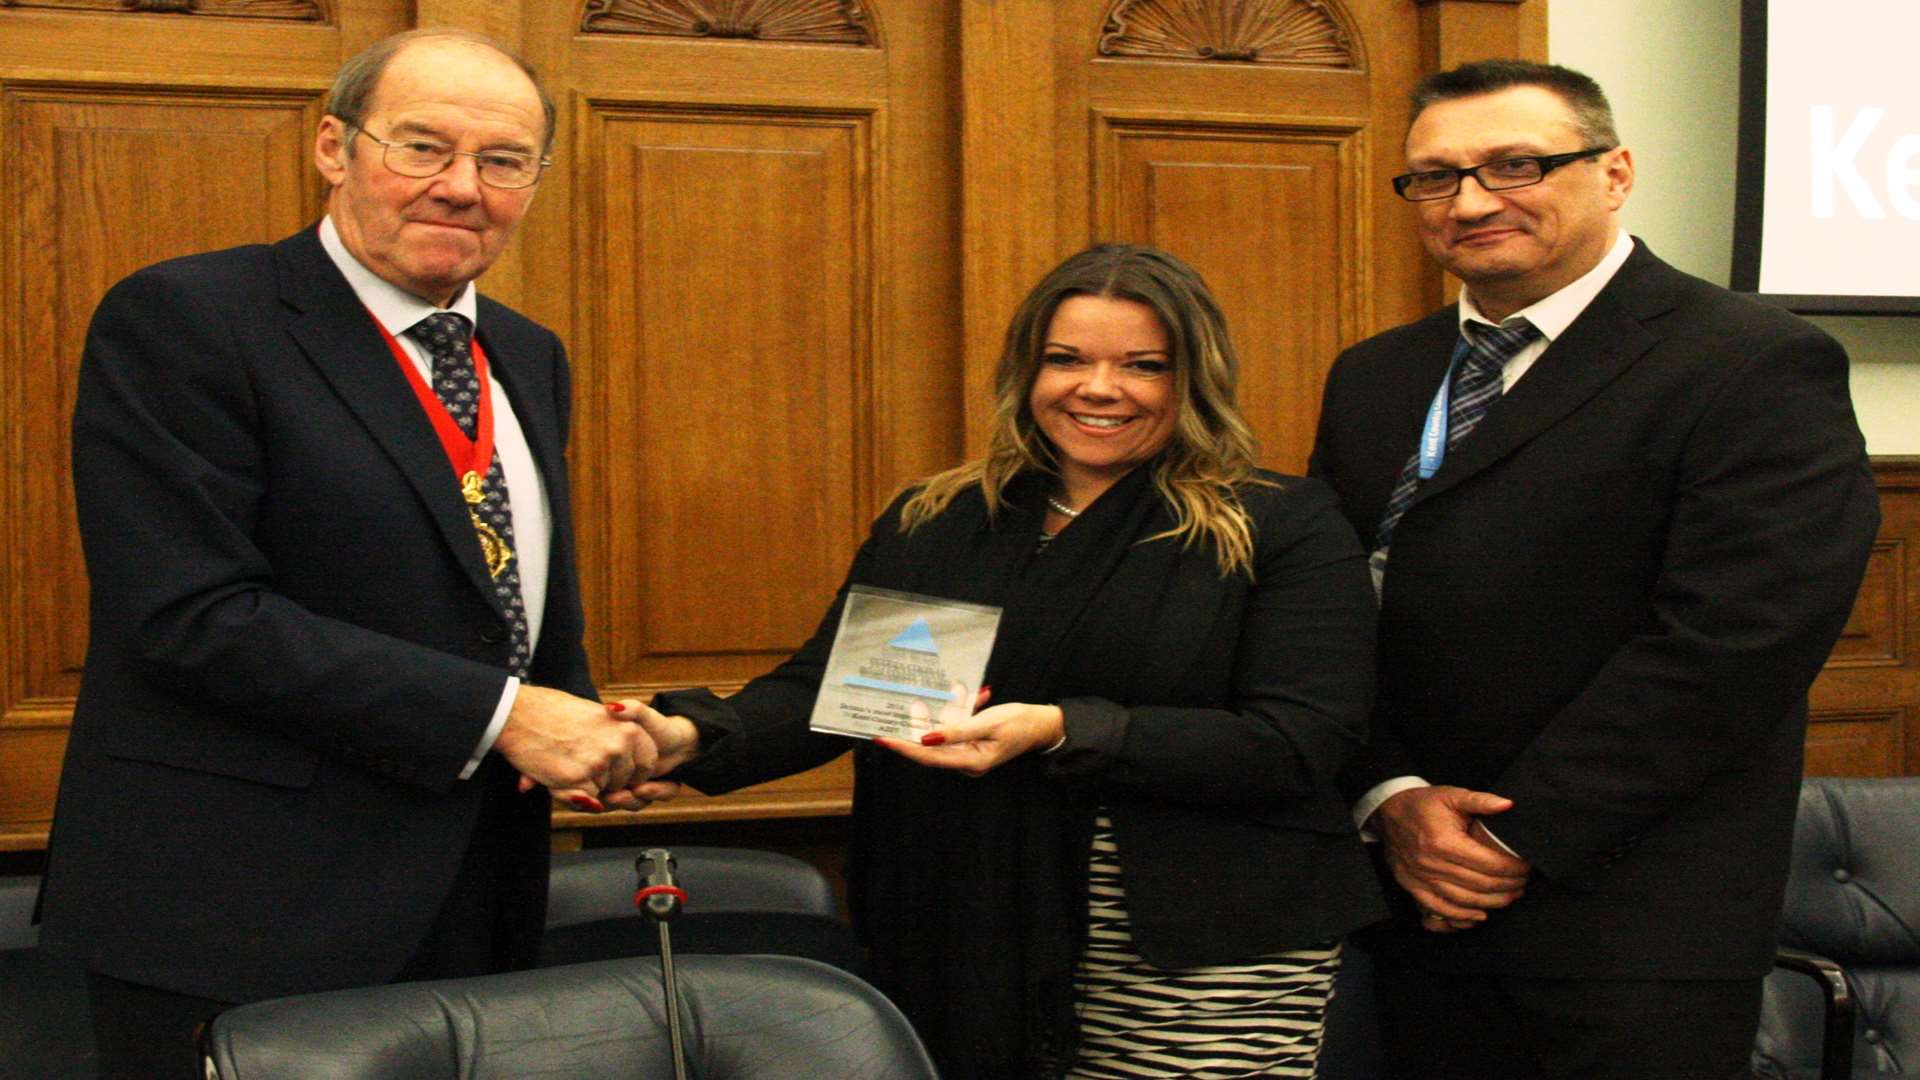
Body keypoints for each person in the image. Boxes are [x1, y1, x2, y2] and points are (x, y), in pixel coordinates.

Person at [39, 29, 668, 1079]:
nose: (462, 188)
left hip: (474, 898)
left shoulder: (524, 351)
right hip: (238, 916)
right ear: (334, 147)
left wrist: (589, 727)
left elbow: (495, 588)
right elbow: (189, 616)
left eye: (503, 162)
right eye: (422, 147)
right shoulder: (189, 318)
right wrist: (511, 718)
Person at [621, 244, 1384, 1079]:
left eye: (1142, 365)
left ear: (1193, 379)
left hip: (1190, 944)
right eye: (1066, 360)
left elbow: (1299, 739)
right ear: (1027, 370)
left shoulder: (1274, 525)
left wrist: (1061, 730)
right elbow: (843, 693)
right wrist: (690, 737)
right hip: (967, 923)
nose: (1098, 387)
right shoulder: (945, 517)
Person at [1307, 59, 1880, 1080]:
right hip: (1407, 903)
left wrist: (1511, 842)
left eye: (1515, 165)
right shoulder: (1374, 378)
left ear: (1614, 171)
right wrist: (1392, 797)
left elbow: (1735, 641)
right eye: (1435, 177)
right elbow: (1330, 614)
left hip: (1631, 925)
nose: (1471, 201)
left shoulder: (1751, 361)